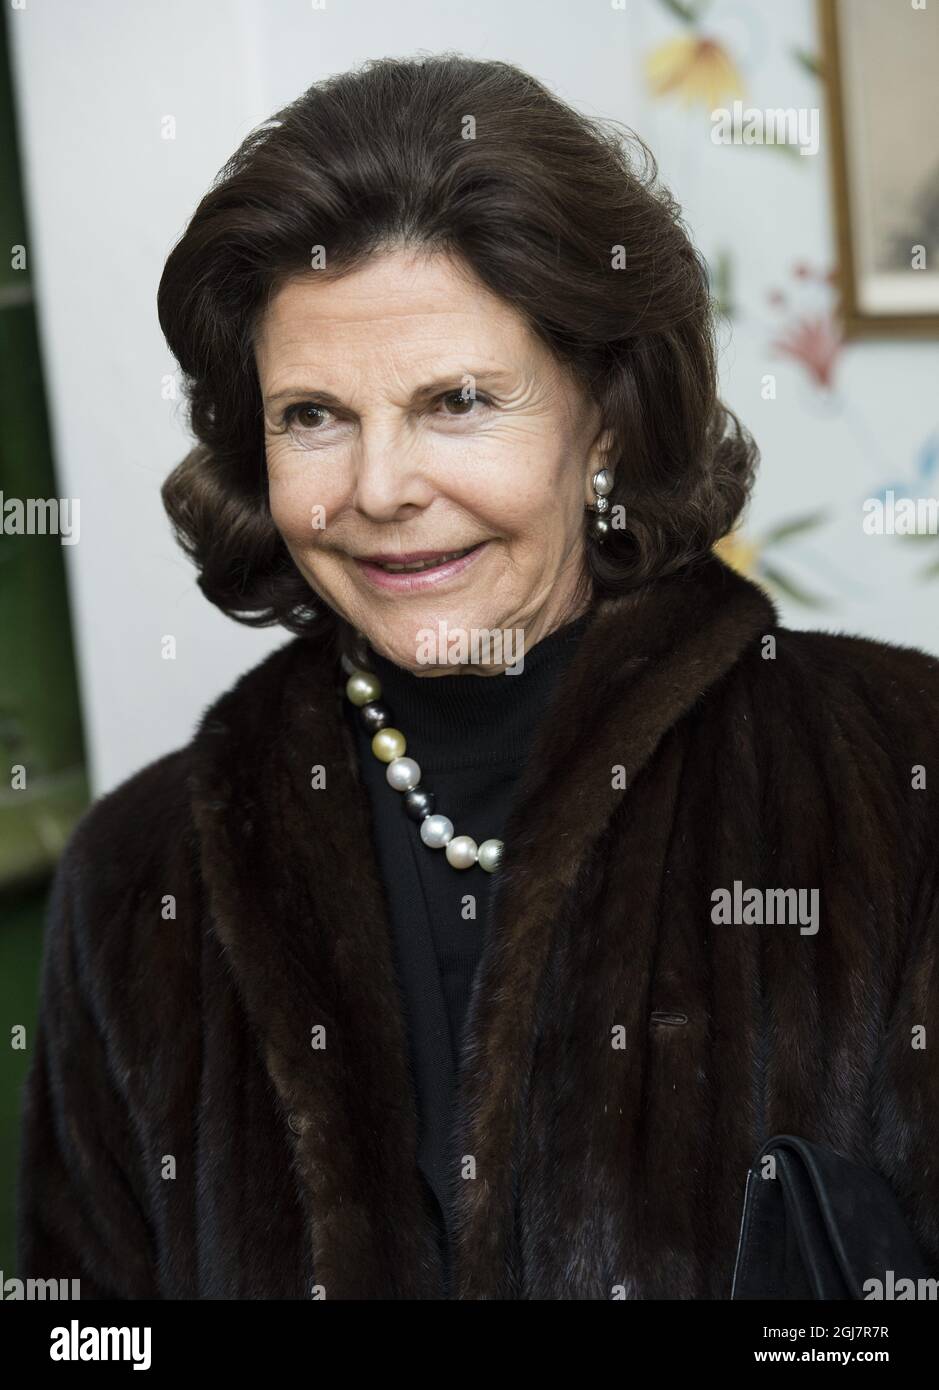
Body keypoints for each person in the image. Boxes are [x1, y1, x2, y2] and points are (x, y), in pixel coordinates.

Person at [15, 53, 939, 1300]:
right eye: (313, 416)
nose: (381, 488)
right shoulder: (138, 877)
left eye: (457, 400)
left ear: (604, 415)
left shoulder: (898, 783)